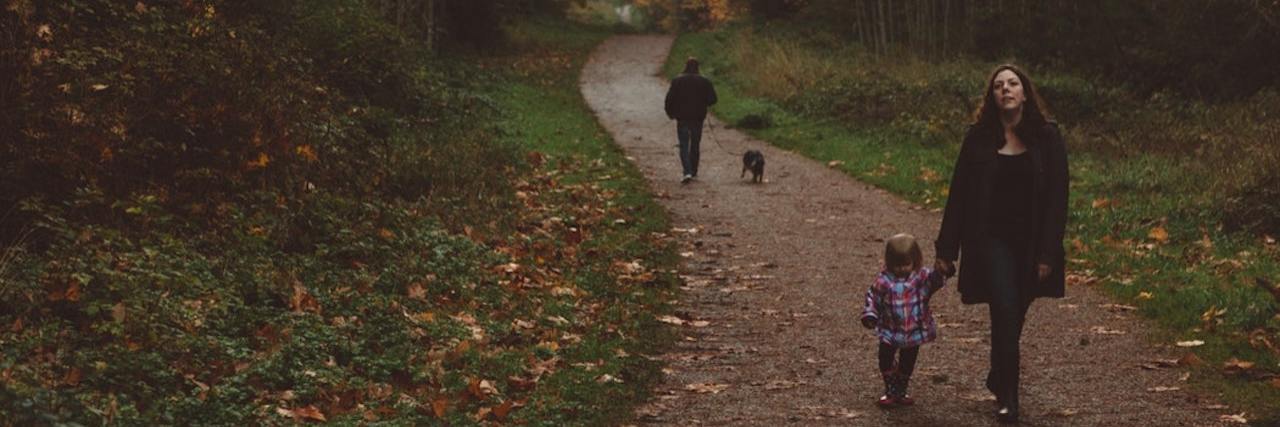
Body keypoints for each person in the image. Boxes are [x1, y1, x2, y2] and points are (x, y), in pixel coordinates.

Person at [934, 64, 1069, 423]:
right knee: (1005, 308)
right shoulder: (978, 138)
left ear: (1025, 93)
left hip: (1031, 241)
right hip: (989, 239)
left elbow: (1058, 200)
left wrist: (1048, 252)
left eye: (1012, 83)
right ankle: (1009, 397)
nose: (1005, 89)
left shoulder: (1047, 137)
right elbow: (959, 194)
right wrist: (946, 250)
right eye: (998, 85)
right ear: (991, 96)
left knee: (1015, 311)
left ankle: (998, 373)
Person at [860, 233, 952, 408]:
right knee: (884, 358)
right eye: (897, 265)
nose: (901, 269)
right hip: (890, 329)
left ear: (915, 261)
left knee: (908, 362)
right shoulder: (884, 281)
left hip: (913, 330)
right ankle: (890, 388)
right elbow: (873, 297)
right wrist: (870, 315)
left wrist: (941, 271)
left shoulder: (921, 277)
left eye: (906, 264)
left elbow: (935, 282)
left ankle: (901, 389)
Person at [664, 57, 717, 184]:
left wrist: (671, 113)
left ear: (686, 66)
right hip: (698, 118)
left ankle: (687, 171)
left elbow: (669, 99)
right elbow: (713, 99)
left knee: (683, 145)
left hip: (682, 117)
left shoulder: (677, 80)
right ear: (698, 67)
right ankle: (693, 171)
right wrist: (704, 103)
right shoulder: (705, 81)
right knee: (695, 144)